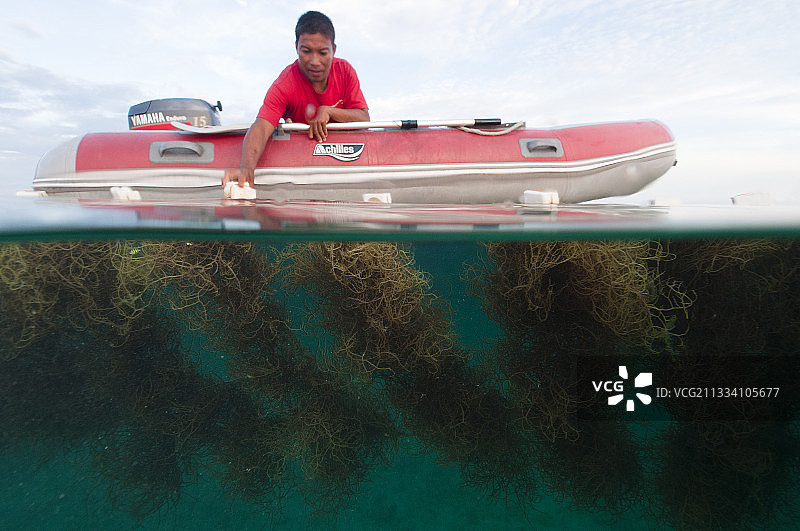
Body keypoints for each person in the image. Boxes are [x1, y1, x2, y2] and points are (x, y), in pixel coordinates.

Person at [223, 11, 370, 188]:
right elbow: (262, 126)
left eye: (323, 52)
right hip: (303, 166)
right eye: (306, 51)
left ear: (334, 50)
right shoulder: (285, 83)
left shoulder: (345, 71)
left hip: (346, 163)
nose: (315, 61)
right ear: (296, 47)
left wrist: (328, 110)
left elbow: (364, 119)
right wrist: (246, 168)